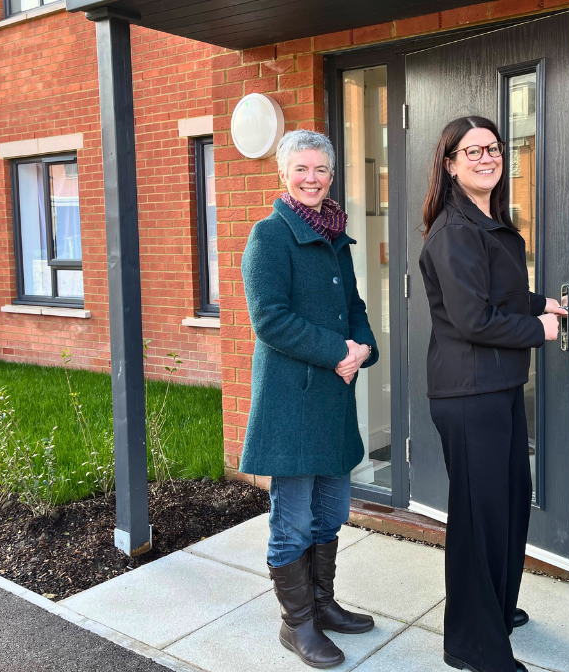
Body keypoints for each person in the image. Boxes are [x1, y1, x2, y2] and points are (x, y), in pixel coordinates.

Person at [418, 117, 565, 672]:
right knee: (479, 519)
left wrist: (538, 305)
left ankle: (496, 610)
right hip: (467, 392)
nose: (487, 157)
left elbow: (497, 295)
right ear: (451, 163)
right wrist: (542, 332)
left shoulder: (485, 221)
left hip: (498, 387)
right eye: (473, 150)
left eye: (495, 148)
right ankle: (472, 645)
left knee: (506, 508)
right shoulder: (453, 230)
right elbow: (474, 319)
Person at [240, 129, 380, 669]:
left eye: (321, 169)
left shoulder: (336, 235)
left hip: (334, 396)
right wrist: (337, 351)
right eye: (302, 168)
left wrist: (362, 347)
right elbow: (269, 319)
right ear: (284, 173)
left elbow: (354, 303)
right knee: (292, 519)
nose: (312, 178)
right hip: (292, 402)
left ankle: (322, 604)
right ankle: (296, 624)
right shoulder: (269, 235)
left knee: (332, 511)